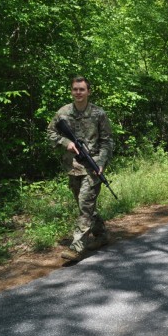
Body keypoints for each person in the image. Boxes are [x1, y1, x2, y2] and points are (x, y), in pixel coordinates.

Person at [47, 76, 114, 262]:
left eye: (82, 89)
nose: (78, 92)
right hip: (73, 167)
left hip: (93, 168)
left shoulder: (98, 113)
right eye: (75, 89)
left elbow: (107, 141)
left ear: (88, 91)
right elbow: (50, 133)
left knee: (85, 206)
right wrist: (65, 142)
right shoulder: (63, 113)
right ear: (71, 91)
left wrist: (101, 162)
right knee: (85, 206)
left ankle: (77, 247)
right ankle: (101, 235)